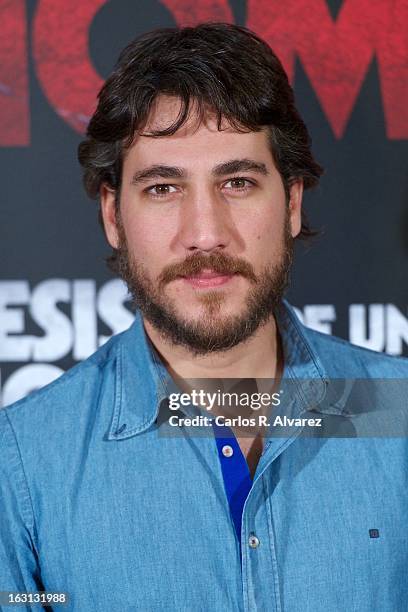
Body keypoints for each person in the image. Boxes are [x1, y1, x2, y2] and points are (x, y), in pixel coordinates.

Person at [1, 23, 407, 612]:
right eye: (163, 188)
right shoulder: (23, 461)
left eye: (238, 182)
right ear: (114, 216)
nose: (206, 233)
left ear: (292, 202)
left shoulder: (397, 414)